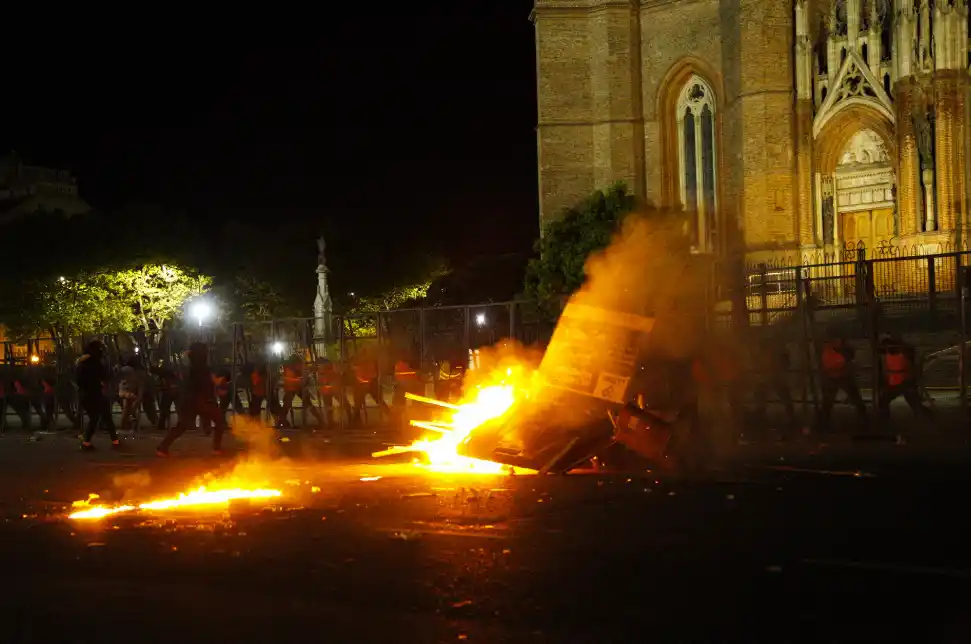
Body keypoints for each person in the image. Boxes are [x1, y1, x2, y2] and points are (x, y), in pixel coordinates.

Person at [157, 343, 225, 457]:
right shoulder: (201, 368)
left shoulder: (192, 367)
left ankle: (162, 447)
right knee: (220, 421)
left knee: (182, 426)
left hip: (190, 402)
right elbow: (205, 385)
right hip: (201, 401)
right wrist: (217, 383)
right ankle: (216, 448)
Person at [815, 334, 868, 433]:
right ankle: (823, 421)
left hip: (843, 376)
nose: (837, 342)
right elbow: (831, 364)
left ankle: (864, 418)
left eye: (838, 340)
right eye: (835, 340)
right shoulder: (828, 350)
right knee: (828, 401)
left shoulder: (844, 350)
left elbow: (847, 361)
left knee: (854, 397)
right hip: (834, 377)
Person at [877, 333, 932, 428]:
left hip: (905, 382)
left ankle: (929, 420)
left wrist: (910, 381)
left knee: (915, 404)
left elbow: (910, 368)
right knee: (883, 401)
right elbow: (885, 369)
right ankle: (885, 423)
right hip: (893, 382)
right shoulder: (887, 354)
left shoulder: (904, 352)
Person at [76, 340, 120, 451]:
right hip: (95, 394)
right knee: (106, 416)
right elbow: (106, 376)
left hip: (84, 394)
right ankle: (115, 442)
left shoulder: (81, 363)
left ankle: (86, 443)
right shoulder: (95, 363)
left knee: (94, 418)